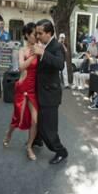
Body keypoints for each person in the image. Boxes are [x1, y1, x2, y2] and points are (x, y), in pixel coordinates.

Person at [32, 19, 69, 165]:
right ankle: (38, 140)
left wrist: (42, 53)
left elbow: (60, 64)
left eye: (40, 33)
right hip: (42, 93)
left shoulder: (57, 46)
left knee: (50, 129)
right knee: (41, 122)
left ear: (49, 33)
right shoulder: (45, 45)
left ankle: (61, 151)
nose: (38, 35)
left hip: (50, 95)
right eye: (37, 33)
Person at [3, 23, 40, 161]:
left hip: (33, 89)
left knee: (35, 120)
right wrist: (32, 56)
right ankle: (8, 133)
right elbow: (20, 67)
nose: (36, 37)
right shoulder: (22, 50)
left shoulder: (39, 49)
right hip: (22, 87)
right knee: (18, 117)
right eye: (33, 34)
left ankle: (29, 146)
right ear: (26, 35)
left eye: (37, 34)